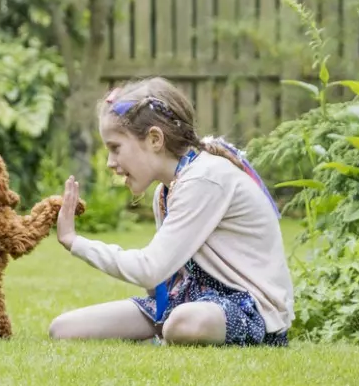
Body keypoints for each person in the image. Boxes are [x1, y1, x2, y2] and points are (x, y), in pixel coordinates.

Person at [48, 77, 294, 347]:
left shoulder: (204, 178)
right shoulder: (165, 192)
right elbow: (159, 282)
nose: (110, 163)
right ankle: (164, 335)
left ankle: (165, 336)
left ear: (154, 139)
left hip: (249, 312)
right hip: (189, 300)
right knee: (64, 328)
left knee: (183, 323)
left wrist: (75, 241)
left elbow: (149, 270)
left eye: (115, 148)